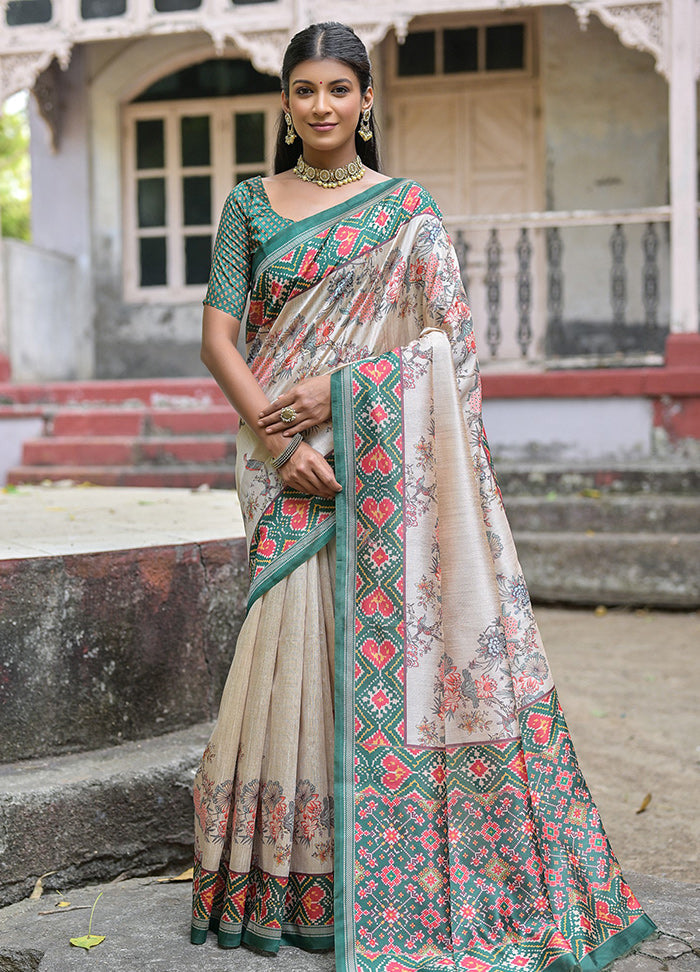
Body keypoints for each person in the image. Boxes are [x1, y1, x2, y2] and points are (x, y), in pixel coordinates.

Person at [191, 21, 656, 971]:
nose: (321, 106)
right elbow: (218, 340)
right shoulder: (249, 204)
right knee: (285, 650)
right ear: (284, 103)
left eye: (339, 90)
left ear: (367, 103)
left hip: (375, 458)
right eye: (304, 90)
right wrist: (281, 444)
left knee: (380, 652)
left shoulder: (407, 211)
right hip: (281, 461)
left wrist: (344, 396)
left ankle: (376, 869)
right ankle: (286, 876)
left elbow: (450, 347)